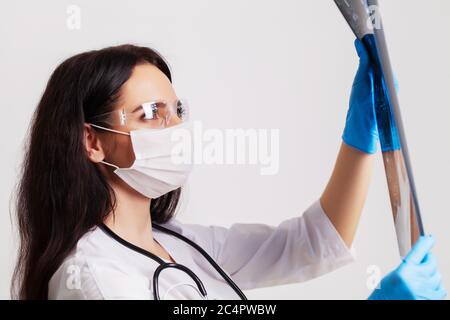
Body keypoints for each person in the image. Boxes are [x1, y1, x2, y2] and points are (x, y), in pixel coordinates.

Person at [12, 39, 446, 300]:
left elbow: (311, 243)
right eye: (151, 113)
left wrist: (359, 136)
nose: (176, 127)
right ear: (91, 140)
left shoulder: (182, 245)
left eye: (177, 109)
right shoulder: (93, 279)